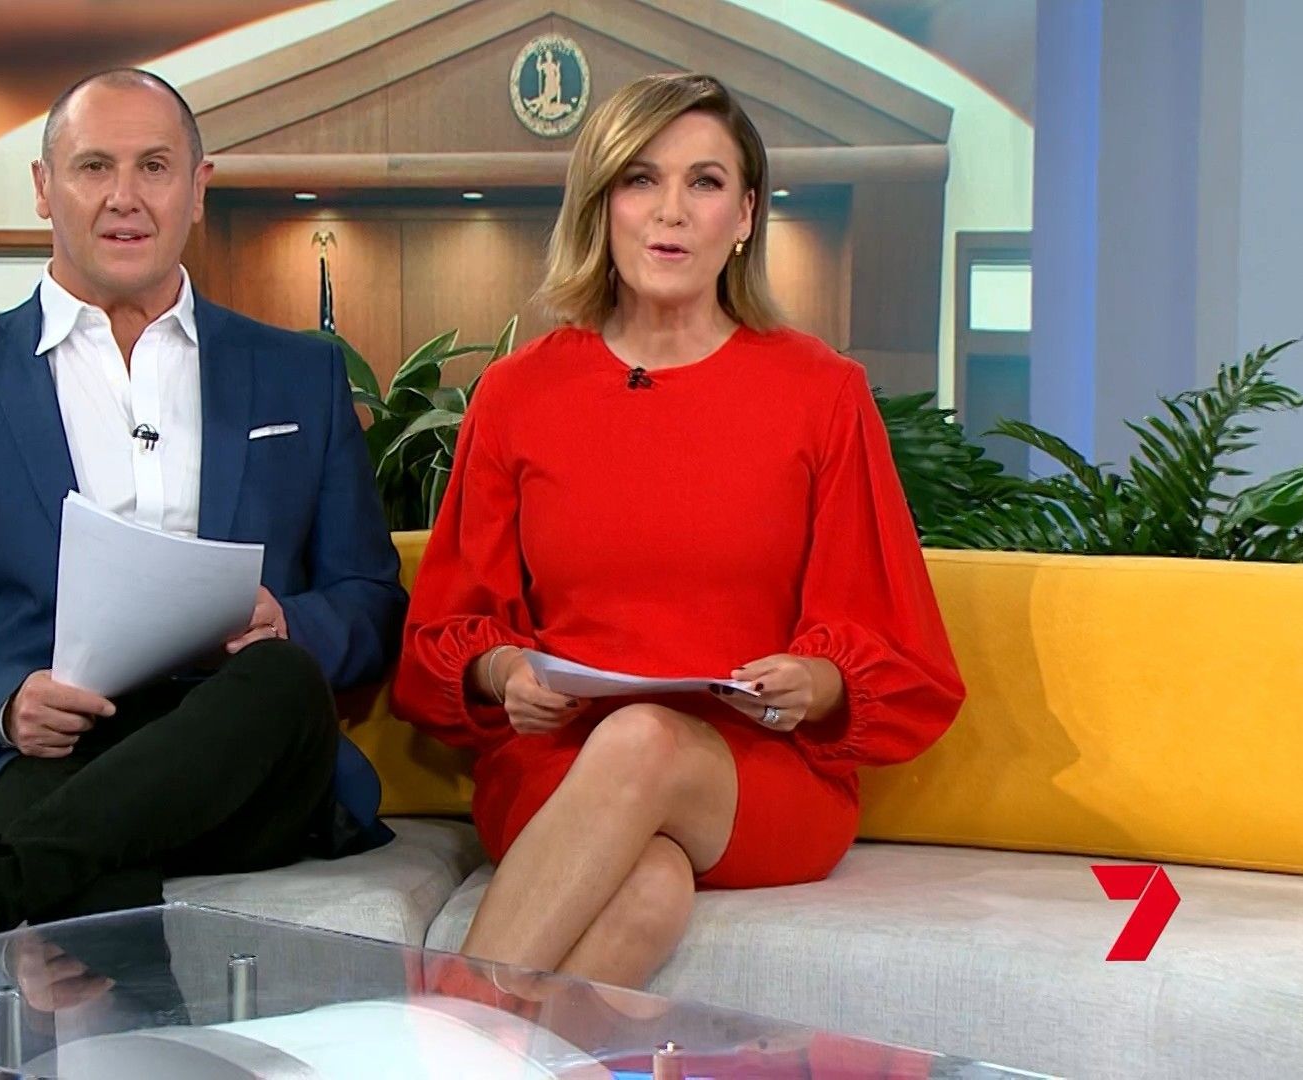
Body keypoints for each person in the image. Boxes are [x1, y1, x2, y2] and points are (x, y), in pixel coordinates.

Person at [0, 68, 406, 1025]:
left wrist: (291, 622)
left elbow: (371, 595)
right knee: (80, 831)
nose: (125, 196)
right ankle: (129, 1022)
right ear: (45, 190)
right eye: (94, 167)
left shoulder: (300, 375)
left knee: (283, 680)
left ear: (197, 189)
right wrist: (3, 704)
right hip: (50, 756)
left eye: (154, 167)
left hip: (244, 754)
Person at [389, 72, 966, 991]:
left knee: (645, 739)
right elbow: (446, 632)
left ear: (745, 215)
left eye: (704, 182)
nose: (671, 212)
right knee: (649, 886)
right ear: (602, 206)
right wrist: (505, 675)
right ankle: (493, 1048)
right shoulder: (517, 395)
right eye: (640, 180)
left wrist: (812, 683)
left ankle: (437, 1031)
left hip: (760, 775)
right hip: (561, 766)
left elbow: (893, 644)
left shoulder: (822, 393)